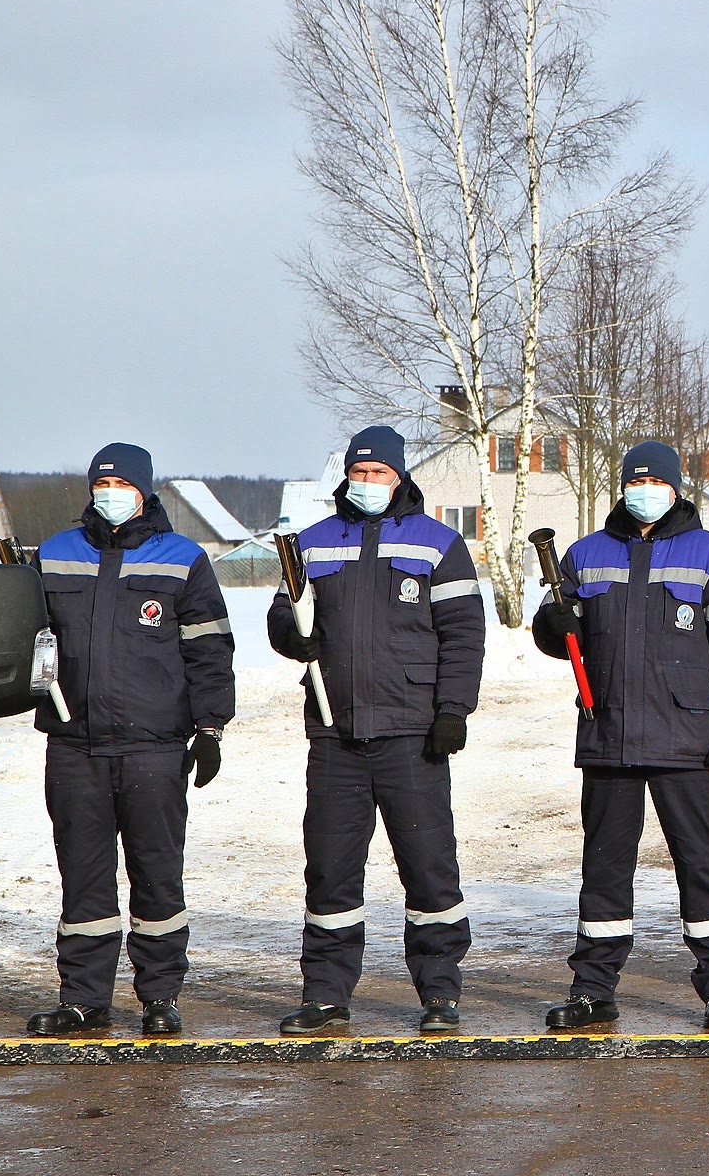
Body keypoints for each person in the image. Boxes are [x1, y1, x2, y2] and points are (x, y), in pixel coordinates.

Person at [532, 441, 709, 1031]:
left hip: (686, 739)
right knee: (604, 866)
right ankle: (593, 989)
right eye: (635, 482)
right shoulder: (585, 554)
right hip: (608, 732)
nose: (644, 492)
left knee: (700, 862)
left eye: (656, 483)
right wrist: (551, 627)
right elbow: (562, 636)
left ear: (675, 488)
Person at [268, 426, 485, 1035]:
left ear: (400, 477)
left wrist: (452, 711)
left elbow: (464, 633)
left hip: (413, 734)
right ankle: (327, 994)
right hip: (335, 734)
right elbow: (283, 615)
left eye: (380, 475)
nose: (369, 484)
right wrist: (292, 635)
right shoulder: (311, 544)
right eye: (360, 475)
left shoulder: (438, 544)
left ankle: (440, 992)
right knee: (331, 867)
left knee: (429, 866)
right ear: (347, 478)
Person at [26, 445, 234, 1037]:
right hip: (74, 747)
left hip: (154, 747)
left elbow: (210, 653)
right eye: (102, 481)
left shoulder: (184, 559)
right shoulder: (54, 554)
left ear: (145, 490)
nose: (110, 491)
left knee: (157, 875)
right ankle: (84, 999)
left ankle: (160, 997)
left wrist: (211, 727)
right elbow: (27, 640)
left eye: (122, 482)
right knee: (83, 877)